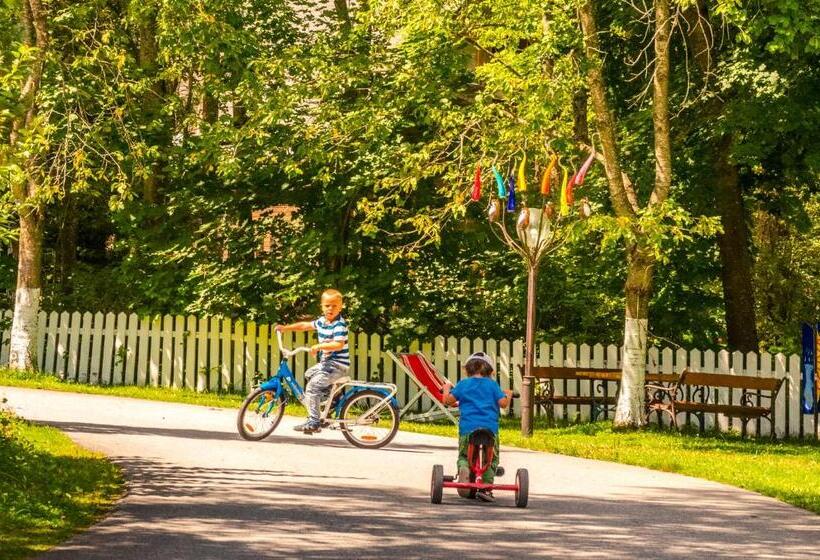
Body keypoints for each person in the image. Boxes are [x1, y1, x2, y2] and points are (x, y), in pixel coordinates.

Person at [275, 289, 350, 433]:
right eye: (327, 305)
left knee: (312, 388)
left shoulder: (339, 325)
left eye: (334, 306)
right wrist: (285, 328)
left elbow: (338, 344)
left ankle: (314, 422)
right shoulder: (322, 322)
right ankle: (333, 399)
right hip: (327, 364)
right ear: (322, 306)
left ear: (340, 307)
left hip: (337, 365)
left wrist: (319, 346)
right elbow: (304, 326)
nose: (330, 309)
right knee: (309, 374)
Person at [443, 352, 512, 502]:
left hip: (468, 428)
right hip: (489, 430)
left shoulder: (463, 384)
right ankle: (486, 488)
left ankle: (465, 468)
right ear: (489, 371)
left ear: (467, 369)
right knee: (491, 458)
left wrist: (447, 388)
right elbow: (503, 404)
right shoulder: (493, 385)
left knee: (463, 455)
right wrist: (509, 394)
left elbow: (448, 401)